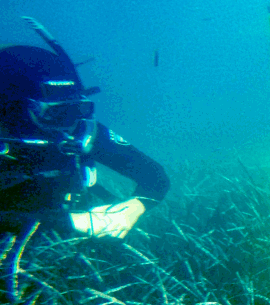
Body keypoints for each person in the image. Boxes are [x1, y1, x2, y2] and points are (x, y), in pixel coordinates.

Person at [0, 19, 169, 238]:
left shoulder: (78, 127)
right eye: (54, 113)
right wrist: (65, 222)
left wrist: (134, 207)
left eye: (78, 109)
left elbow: (154, 175)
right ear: (13, 110)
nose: (69, 124)